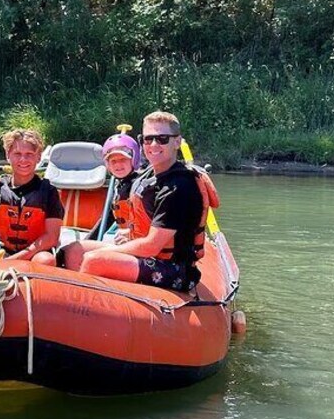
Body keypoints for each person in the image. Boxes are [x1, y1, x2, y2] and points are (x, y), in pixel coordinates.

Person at [63, 111, 218, 292]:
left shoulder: (178, 187)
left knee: (94, 260)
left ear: (177, 142)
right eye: (147, 139)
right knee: (74, 250)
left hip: (174, 269)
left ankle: (85, 309)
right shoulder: (149, 175)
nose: (153, 144)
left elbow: (151, 247)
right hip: (147, 256)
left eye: (162, 139)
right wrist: (129, 232)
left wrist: (103, 252)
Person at [0, 129, 64, 265]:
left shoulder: (49, 192)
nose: (23, 159)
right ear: (8, 155)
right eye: (17, 154)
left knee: (46, 260)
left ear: (38, 157)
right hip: (1, 250)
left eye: (29, 154)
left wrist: (16, 259)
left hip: (34, 252)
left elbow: (51, 237)